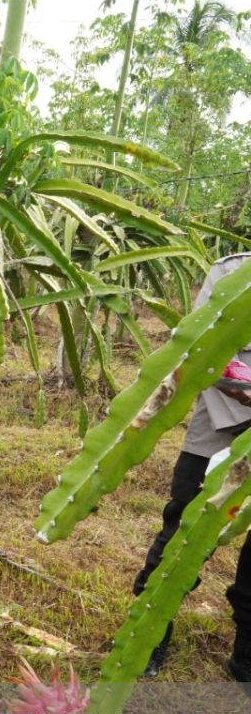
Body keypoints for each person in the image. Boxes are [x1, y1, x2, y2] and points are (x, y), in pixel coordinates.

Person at [133, 252, 251, 680]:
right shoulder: (233, 270)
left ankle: (246, 659)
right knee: (182, 530)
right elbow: (201, 350)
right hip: (222, 425)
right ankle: (147, 638)